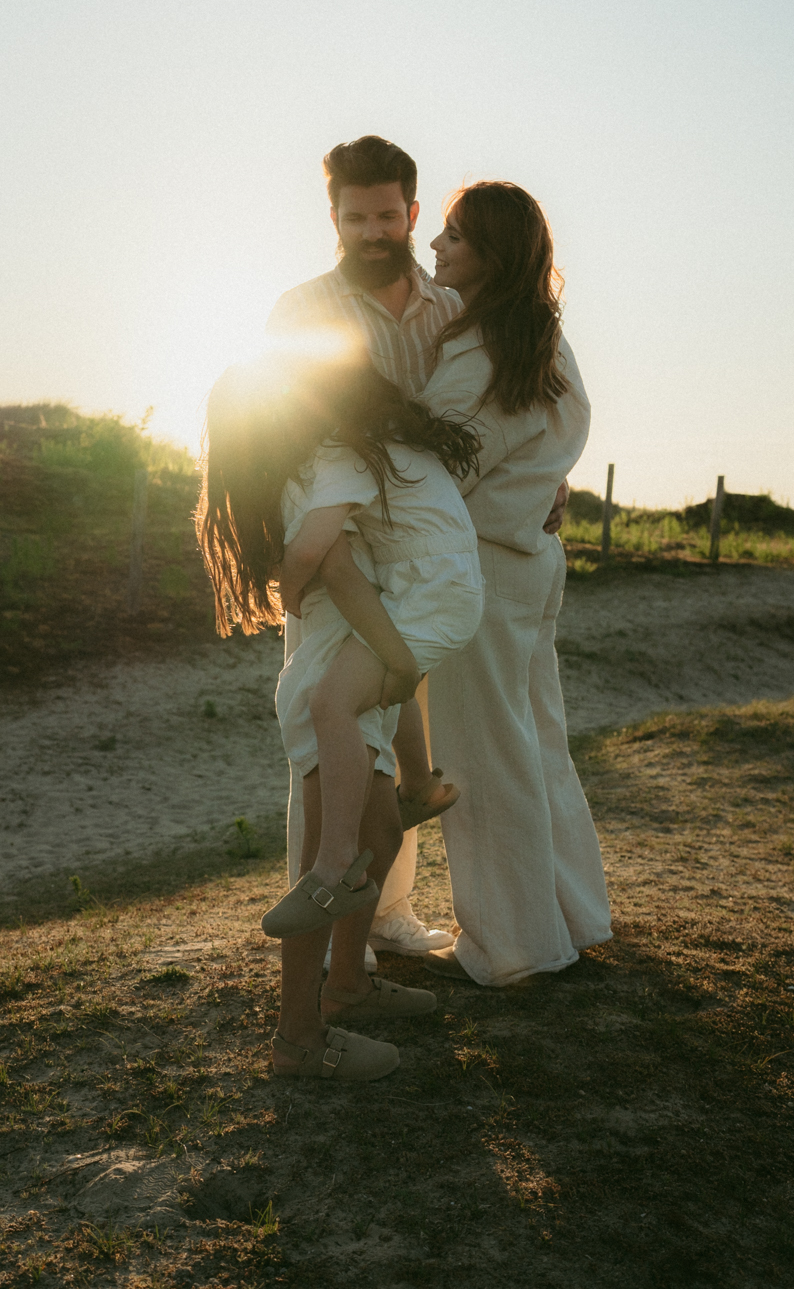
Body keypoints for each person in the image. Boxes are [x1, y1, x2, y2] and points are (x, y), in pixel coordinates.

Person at [198, 345, 484, 1078]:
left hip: (352, 678)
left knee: (379, 834)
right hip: (333, 681)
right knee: (325, 871)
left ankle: (349, 984)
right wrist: (400, 660)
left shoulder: (318, 472)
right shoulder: (311, 482)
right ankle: (298, 1039)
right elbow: (342, 574)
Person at [266, 135, 467, 959]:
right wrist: (307, 556)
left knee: (400, 723)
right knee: (330, 742)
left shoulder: (451, 309)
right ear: (334, 218)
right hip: (337, 544)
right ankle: (319, 934)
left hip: (418, 550)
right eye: (357, 218)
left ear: (412, 213)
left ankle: (386, 916)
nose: (373, 232)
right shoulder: (300, 310)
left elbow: (486, 410)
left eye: (388, 216)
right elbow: (281, 428)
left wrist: (551, 478)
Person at [419, 181, 613, 986]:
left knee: (482, 755)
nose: (435, 247)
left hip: (484, 571)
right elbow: (549, 441)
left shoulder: (483, 349)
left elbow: (440, 465)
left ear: (493, 255)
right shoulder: (543, 340)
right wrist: (545, 487)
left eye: (454, 236)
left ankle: (513, 947)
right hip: (530, 562)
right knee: (536, 743)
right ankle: (572, 915)